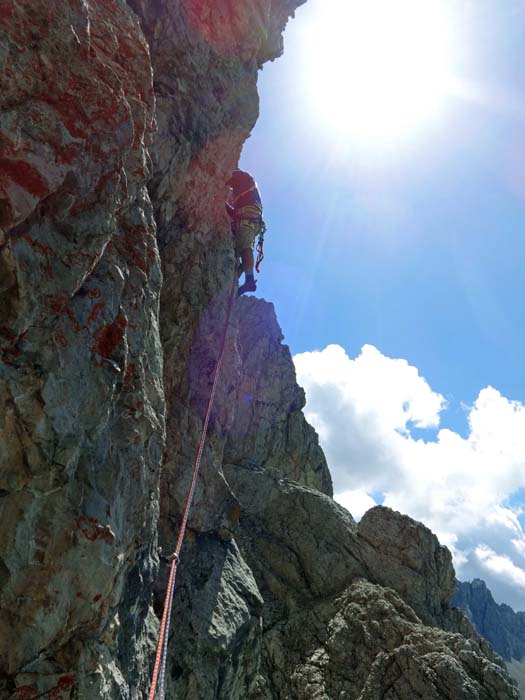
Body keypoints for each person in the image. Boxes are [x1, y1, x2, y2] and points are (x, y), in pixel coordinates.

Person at [226, 169, 265, 296]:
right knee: (241, 245)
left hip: (249, 217)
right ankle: (240, 271)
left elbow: (226, 179)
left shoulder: (242, 178)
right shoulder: (245, 191)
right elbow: (234, 213)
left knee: (245, 247)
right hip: (251, 218)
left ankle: (249, 280)